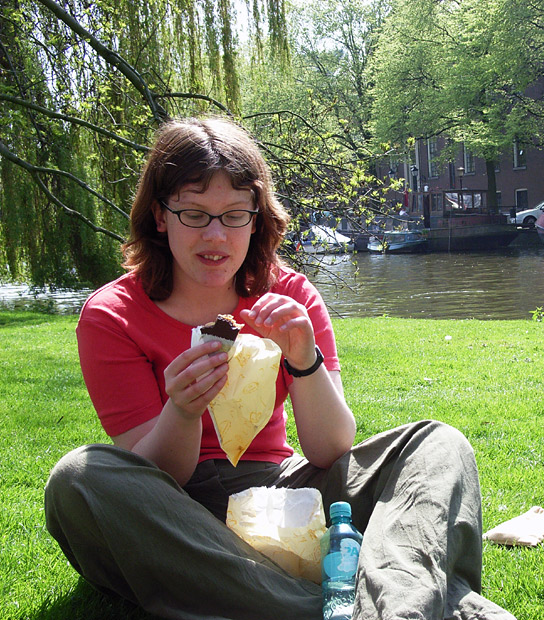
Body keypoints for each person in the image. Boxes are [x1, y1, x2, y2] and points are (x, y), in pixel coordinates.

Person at [44, 116, 515, 620]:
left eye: (234, 215)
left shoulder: (288, 293)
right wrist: (181, 411)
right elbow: (157, 476)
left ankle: (398, 605)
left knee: (436, 444)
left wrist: (304, 360)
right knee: (78, 479)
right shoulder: (112, 315)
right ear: (161, 216)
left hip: (286, 487)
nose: (216, 236)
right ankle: (358, 605)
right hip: (180, 515)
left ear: (256, 215)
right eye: (194, 214)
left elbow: (330, 448)